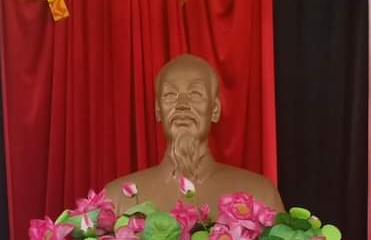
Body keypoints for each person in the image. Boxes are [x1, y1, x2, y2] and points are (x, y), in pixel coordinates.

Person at [105, 53, 283, 215]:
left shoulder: (260, 195)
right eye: (170, 95)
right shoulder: (116, 198)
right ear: (158, 110)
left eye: (195, 94)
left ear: (214, 109)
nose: (182, 105)